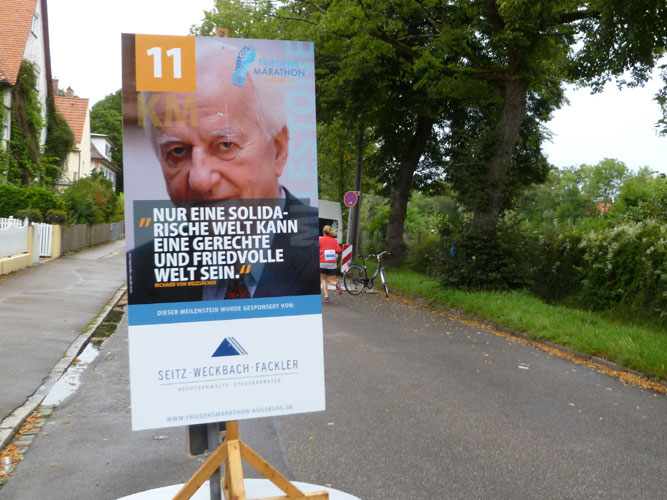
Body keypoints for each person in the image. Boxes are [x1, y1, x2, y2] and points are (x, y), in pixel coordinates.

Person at [126, 42, 319, 304]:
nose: (200, 180)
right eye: (177, 151)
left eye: (226, 145)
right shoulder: (142, 272)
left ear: (278, 150)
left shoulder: (321, 254)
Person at [319, 225, 342, 303]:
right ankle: (337, 284)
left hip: (322, 263)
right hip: (332, 264)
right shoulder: (334, 241)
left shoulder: (320, 239)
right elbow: (339, 251)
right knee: (332, 280)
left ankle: (326, 297)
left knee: (323, 279)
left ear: (323, 231)